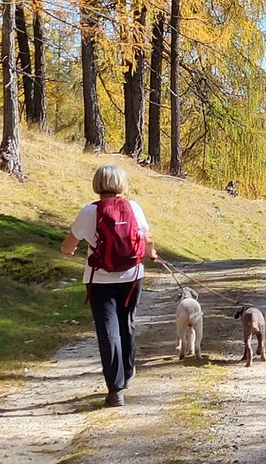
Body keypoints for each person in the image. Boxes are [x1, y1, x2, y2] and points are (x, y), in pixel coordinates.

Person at [61, 163, 157, 407]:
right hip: (133, 275)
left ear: (97, 185)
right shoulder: (133, 207)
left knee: (108, 331)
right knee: (128, 323)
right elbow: (147, 238)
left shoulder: (89, 212)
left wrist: (69, 250)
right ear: (121, 185)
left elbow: (68, 244)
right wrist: (151, 253)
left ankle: (115, 390)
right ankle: (128, 371)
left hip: (99, 279)